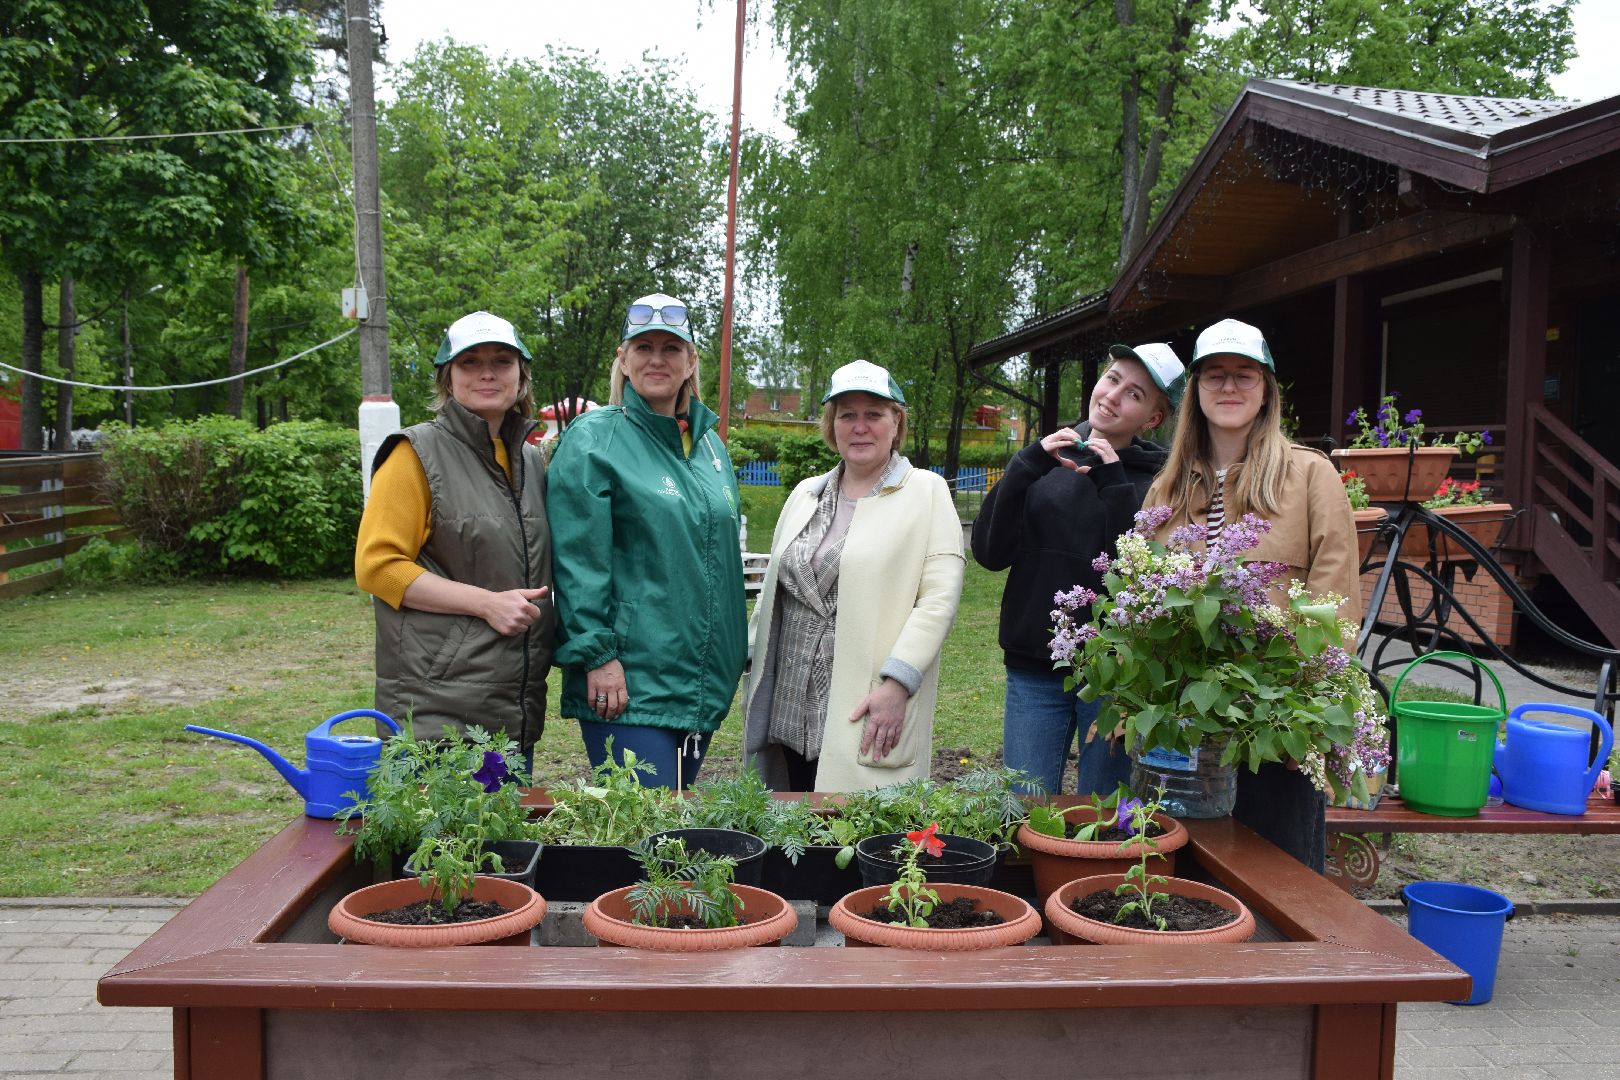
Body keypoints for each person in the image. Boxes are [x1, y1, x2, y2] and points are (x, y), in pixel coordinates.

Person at [1144, 317, 1361, 872]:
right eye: (1214, 375)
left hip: (1273, 727)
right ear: (1196, 390)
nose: (1229, 386)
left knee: (1279, 881)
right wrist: (1135, 707)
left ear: (1266, 389)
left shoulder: (1310, 476)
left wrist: (1307, 719)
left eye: (1245, 374)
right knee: (1184, 884)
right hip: (1184, 727)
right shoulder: (1166, 487)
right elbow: (1141, 604)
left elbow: (1336, 600)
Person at [546, 293, 745, 790]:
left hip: (698, 683)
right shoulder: (595, 440)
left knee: (674, 827)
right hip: (630, 683)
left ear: (691, 361)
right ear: (623, 359)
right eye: (644, 347)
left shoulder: (710, 446)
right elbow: (577, 561)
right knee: (645, 829)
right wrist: (596, 656)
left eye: (671, 348)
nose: (657, 359)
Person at [972, 343, 1185, 797]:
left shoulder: (1159, 482)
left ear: (1152, 419)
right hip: (1035, 666)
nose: (1112, 396)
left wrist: (1113, 484)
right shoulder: (1044, 459)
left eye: (1134, 394)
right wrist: (1024, 466)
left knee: (1103, 813)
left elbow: (1140, 578)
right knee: (1024, 806)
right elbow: (990, 553)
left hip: (1115, 677)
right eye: (1112, 379)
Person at [742, 359, 965, 791]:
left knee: (855, 822)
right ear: (832, 424)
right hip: (790, 702)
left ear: (896, 423)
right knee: (790, 814)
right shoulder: (806, 494)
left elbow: (938, 600)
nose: (859, 427)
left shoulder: (925, 492)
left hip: (865, 700)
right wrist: (749, 655)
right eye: (847, 415)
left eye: (873, 414)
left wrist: (897, 684)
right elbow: (773, 593)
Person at [355, 311, 554, 759]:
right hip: (437, 713)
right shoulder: (413, 453)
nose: (487, 373)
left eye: (502, 361)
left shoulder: (529, 460)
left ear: (521, 376)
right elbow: (377, 568)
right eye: (470, 362)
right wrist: (486, 603)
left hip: (512, 710)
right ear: (447, 377)